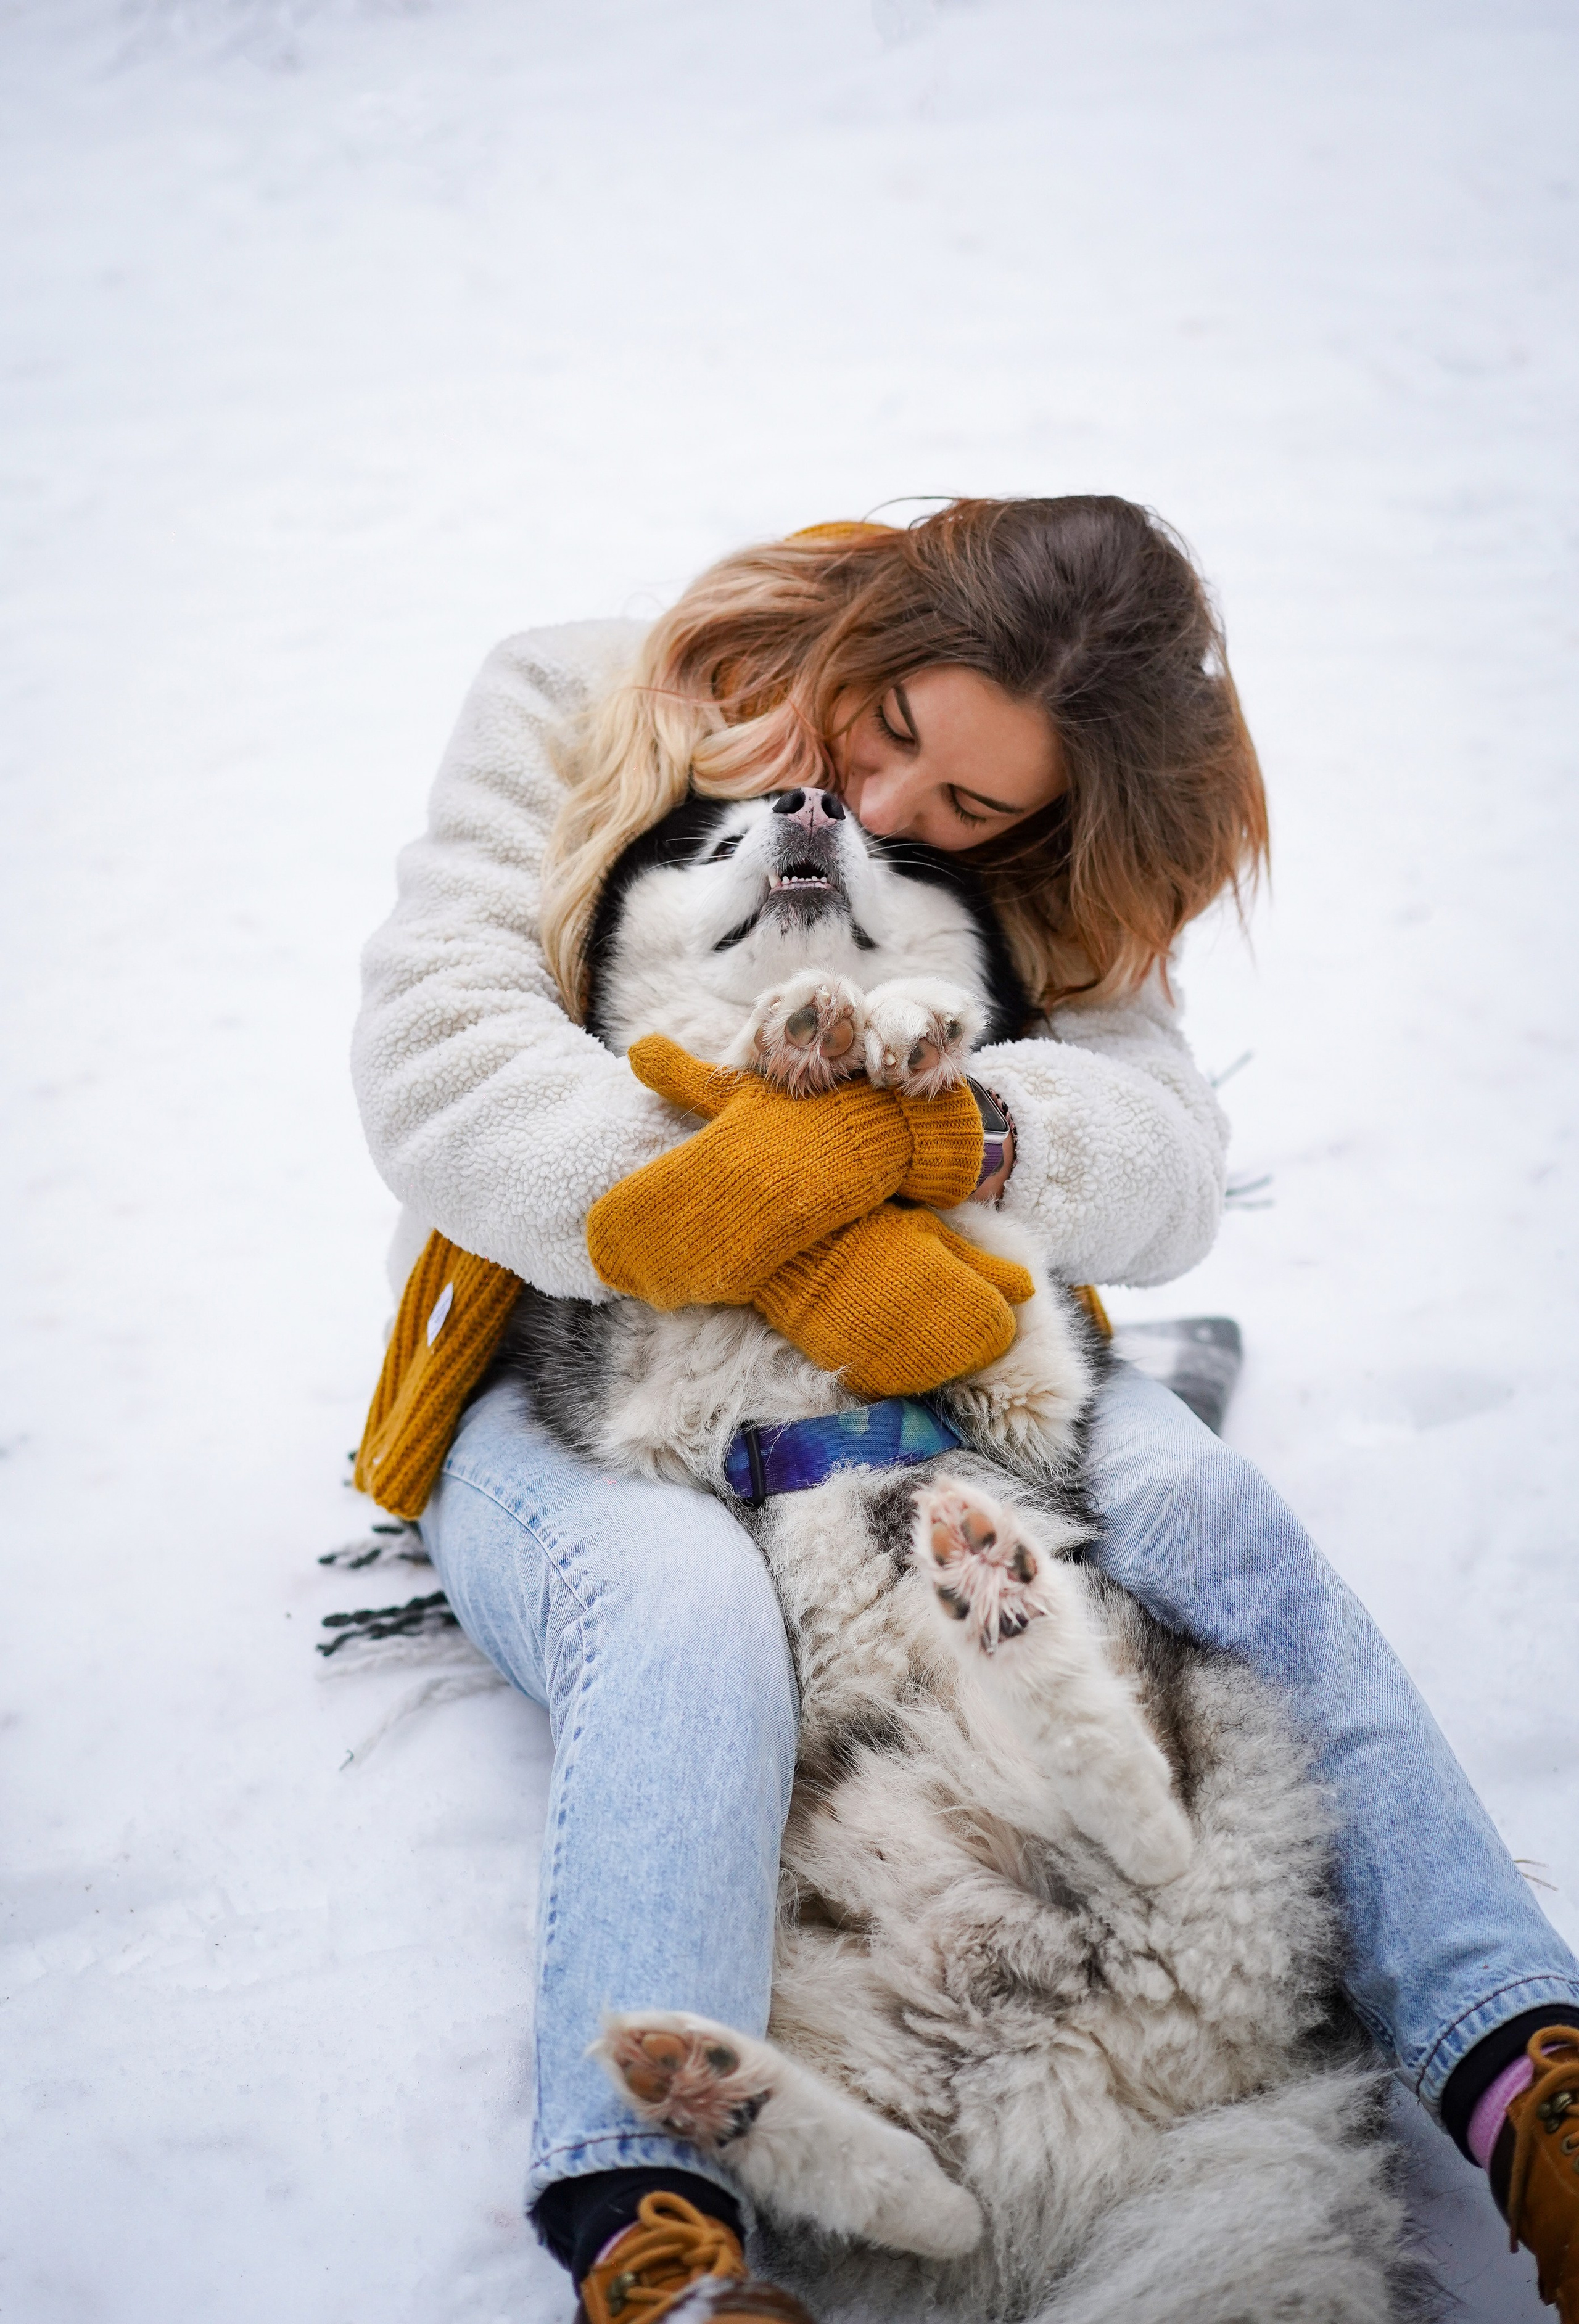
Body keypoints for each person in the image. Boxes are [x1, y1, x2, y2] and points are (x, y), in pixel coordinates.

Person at [352, 500, 1579, 2324]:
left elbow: (1161, 1169)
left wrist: (960, 1134)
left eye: (973, 815)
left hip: (948, 1339)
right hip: (576, 1373)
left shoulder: (1046, 836)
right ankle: (654, 2238)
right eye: (896, 728)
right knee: (691, 1621)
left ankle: (1527, 2077)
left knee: (1210, 1513)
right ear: (876, 627)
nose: (904, 809)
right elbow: (446, 1069)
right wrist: (776, 1186)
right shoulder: (568, 697)